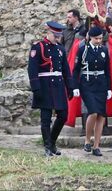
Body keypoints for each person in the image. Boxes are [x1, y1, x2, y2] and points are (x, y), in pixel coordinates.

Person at [28, 21, 78, 157]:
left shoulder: (60, 49)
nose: (57, 39)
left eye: (59, 36)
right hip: (44, 85)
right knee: (46, 118)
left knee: (63, 116)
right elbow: (32, 69)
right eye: (55, 36)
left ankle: (52, 141)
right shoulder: (38, 47)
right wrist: (36, 88)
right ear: (48, 33)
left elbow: (66, 70)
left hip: (58, 85)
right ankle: (48, 146)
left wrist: (70, 87)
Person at [72, 26, 112, 157]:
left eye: (100, 38)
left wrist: (109, 88)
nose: (99, 41)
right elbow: (76, 69)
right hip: (87, 84)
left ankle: (96, 145)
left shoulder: (104, 50)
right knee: (93, 112)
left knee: (101, 115)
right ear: (90, 37)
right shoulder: (83, 50)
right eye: (96, 38)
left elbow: (107, 71)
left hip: (101, 83)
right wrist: (75, 86)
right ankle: (87, 140)